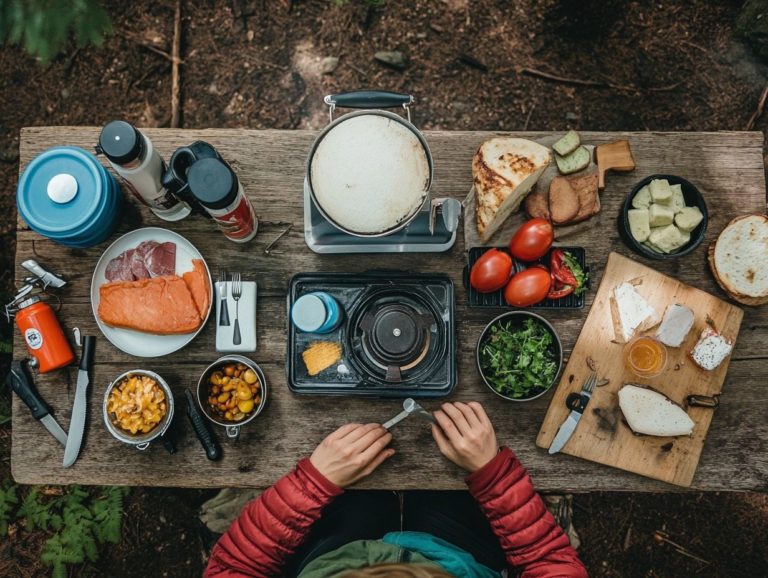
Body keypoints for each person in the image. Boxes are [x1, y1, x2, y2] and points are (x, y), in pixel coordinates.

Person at [205, 401, 588, 578]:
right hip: (463, 553)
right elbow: (550, 564)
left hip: (329, 550)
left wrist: (313, 483)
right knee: (447, 489)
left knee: (360, 496)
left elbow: (235, 567)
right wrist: (494, 476)